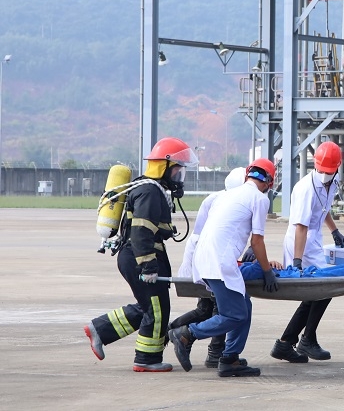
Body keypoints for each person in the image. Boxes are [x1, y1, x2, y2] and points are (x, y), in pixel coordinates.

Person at [84, 137, 198, 372]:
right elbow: (141, 233)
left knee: (150, 306)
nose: (179, 177)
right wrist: (148, 267)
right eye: (177, 171)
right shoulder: (149, 191)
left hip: (138, 256)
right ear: (163, 167)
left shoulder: (150, 188)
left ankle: (100, 329)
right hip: (139, 257)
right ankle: (147, 360)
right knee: (156, 309)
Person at [168, 158, 279, 378]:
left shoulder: (227, 195)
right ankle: (187, 334)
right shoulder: (259, 199)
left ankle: (230, 359)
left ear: (248, 175)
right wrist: (267, 272)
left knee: (243, 304)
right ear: (269, 183)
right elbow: (257, 242)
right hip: (220, 262)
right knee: (236, 315)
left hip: (205, 259)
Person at [270, 141, 344, 363]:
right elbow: (301, 227)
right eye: (321, 171)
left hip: (313, 240)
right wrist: (296, 260)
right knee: (322, 288)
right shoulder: (305, 188)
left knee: (318, 292)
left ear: (337, 168)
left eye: (329, 172)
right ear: (316, 166)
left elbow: (324, 209)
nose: (324, 175)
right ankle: (304, 340)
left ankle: (289, 342)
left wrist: (335, 231)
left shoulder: (333, 181)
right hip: (299, 241)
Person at [168, 167, 245, 369]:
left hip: (208, 259)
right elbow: (202, 237)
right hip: (206, 260)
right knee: (214, 309)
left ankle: (203, 348)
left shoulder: (224, 199)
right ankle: (175, 334)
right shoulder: (221, 201)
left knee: (210, 309)